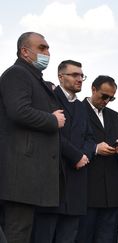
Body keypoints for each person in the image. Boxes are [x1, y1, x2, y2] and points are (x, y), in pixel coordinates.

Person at [0, 32, 65, 243]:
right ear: (25, 51)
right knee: (17, 231)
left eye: (47, 48)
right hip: (20, 174)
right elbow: (18, 111)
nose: (47, 52)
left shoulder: (34, 78)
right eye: (42, 48)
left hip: (31, 174)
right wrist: (52, 120)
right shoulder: (16, 73)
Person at [31, 60, 95, 243]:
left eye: (81, 75)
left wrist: (85, 155)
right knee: (44, 234)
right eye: (74, 75)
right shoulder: (49, 98)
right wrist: (76, 155)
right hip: (54, 177)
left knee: (69, 235)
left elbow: (90, 138)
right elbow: (50, 133)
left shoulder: (83, 107)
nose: (79, 79)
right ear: (61, 76)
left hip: (77, 179)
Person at [76, 75, 118, 243]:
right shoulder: (77, 109)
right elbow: (72, 141)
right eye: (104, 96)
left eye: (111, 98)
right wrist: (95, 148)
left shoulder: (113, 115)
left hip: (110, 188)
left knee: (108, 236)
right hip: (88, 184)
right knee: (84, 235)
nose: (106, 101)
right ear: (93, 89)